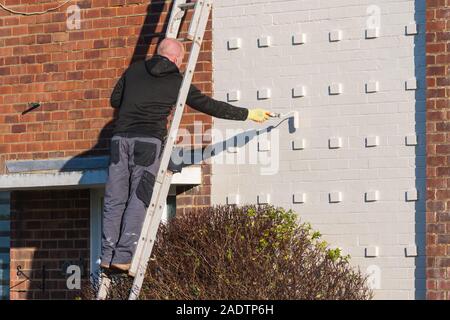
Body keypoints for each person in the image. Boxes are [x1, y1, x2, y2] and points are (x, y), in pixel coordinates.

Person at [101, 38, 271, 272]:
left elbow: (115, 100)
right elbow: (209, 105)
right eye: (180, 59)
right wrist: (248, 113)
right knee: (138, 198)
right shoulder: (177, 81)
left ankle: (107, 255)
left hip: (119, 141)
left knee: (114, 198)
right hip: (148, 143)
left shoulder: (135, 69)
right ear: (175, 58)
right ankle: (122, 257)